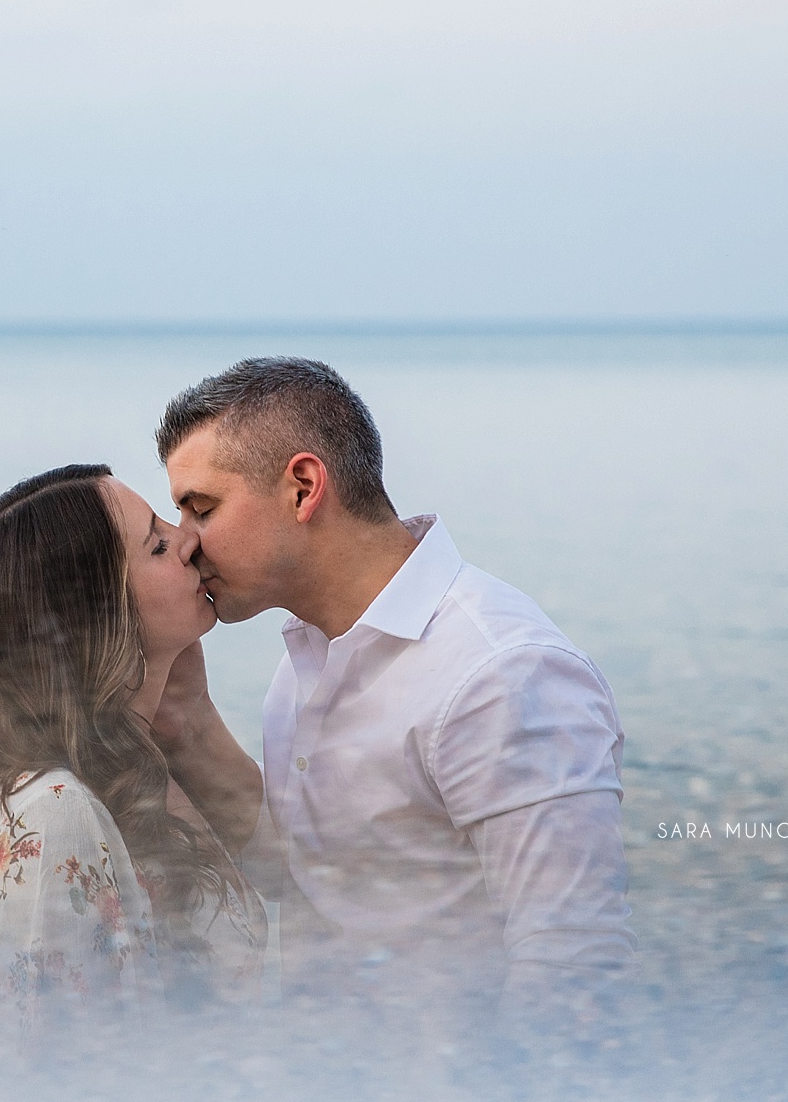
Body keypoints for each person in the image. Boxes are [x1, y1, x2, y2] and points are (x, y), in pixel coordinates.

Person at [150, 358, 633, 1028]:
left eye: (201, 507)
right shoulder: (305, 659)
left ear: (302, 487)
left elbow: (574, 964)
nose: (184, 541)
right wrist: (185, 718)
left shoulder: (501, 672)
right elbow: (305, 879)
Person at [0, 464, 264, 1043]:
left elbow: (297, 873)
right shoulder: (50, 813)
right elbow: (46, 1081)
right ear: (95, 614)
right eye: (157, 543)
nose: (189, 540)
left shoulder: (132, 772)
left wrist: (191, 715)